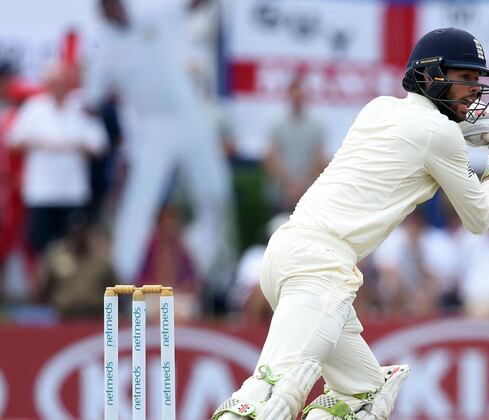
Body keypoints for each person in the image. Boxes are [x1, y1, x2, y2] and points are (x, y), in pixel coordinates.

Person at [174, 27, 489, 420]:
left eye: (477, 80)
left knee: (365, 391)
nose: (473, 89)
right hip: (323, 262)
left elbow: (425, 136)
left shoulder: (379, 109)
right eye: (463, 78)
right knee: (286, 377)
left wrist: (478, 131)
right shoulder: (440, 135)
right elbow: (479, 218)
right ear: (430, 75)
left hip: (289, 250)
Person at [83, 0, 234, 285]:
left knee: (216, 193)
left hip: (189, 117)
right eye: (107, 6)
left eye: (116, 3)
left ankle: (208, 270)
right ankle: (122, 279)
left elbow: (194, 6)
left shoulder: (154, 17)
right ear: (102, 12)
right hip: (152, 129)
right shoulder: (104, 52)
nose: (114, 9)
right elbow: (91, 102)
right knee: (139, 204)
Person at [7, 62, 107, 256]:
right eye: (53, 83)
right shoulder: (34, 108)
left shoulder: (82, 108)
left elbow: (100, 146)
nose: (58, 88)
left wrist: (73, 145)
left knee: (73, 246)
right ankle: (45, 286)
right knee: (41, 246)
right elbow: (13, 142)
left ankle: (71, 287)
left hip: (73, 191)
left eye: (62, 83)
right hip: (41, 192)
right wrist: (41, 143)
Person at [263, 73, 327, 212]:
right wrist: (290, 186)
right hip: (280, 195)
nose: (297, 98)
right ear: (289, 95)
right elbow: (272, 159)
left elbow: (319, 160)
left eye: (301, 95)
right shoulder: (277, 125)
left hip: (309, 196)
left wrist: (301, 186)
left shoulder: (317, 126)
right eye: (295, 94)